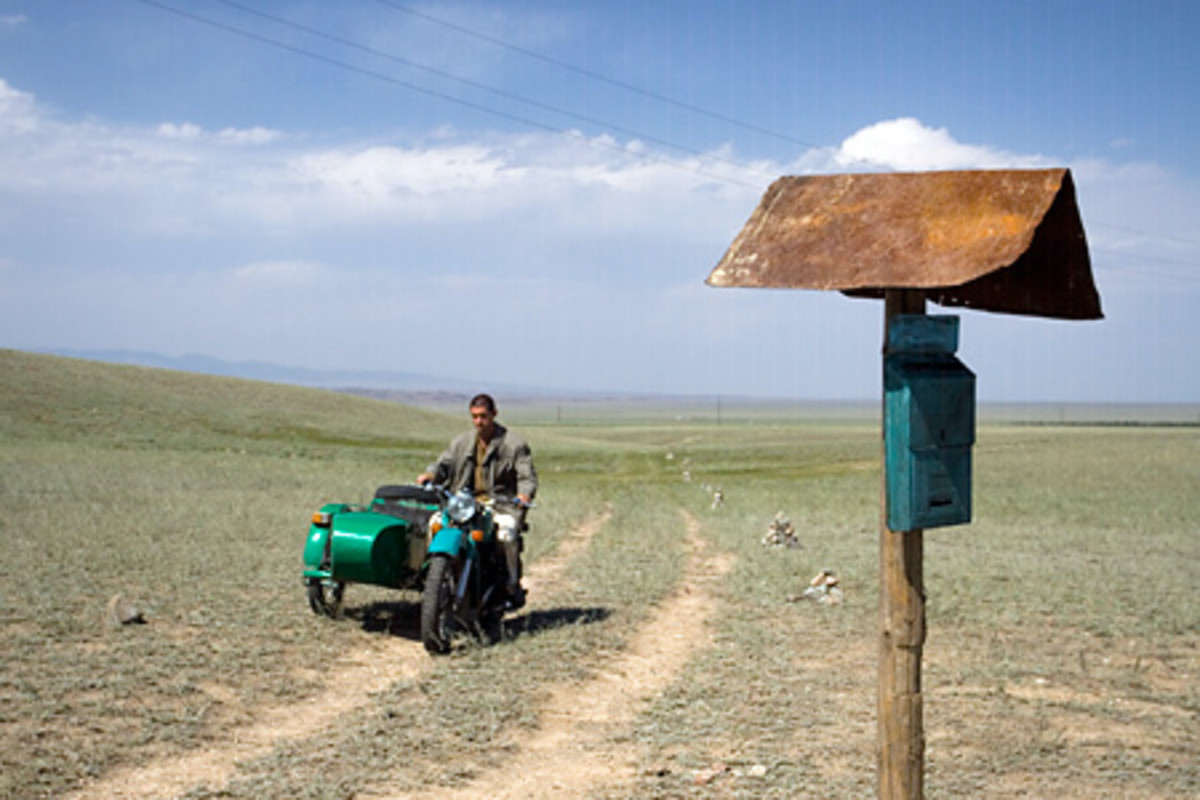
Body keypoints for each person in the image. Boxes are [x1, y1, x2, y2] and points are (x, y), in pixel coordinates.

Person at [417, 393, 537, 609]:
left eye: (483, 416)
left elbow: (526, 477)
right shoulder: (461, 442)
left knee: (506, 534)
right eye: (474, 417)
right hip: (463, 503)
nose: (479, 422)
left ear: (494, 414)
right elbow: (443, 464)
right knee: (433, 523)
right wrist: (430, 475)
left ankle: (511, 585)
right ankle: (433, 578)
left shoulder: (514, 444)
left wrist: (523, 495)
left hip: (499, 504)